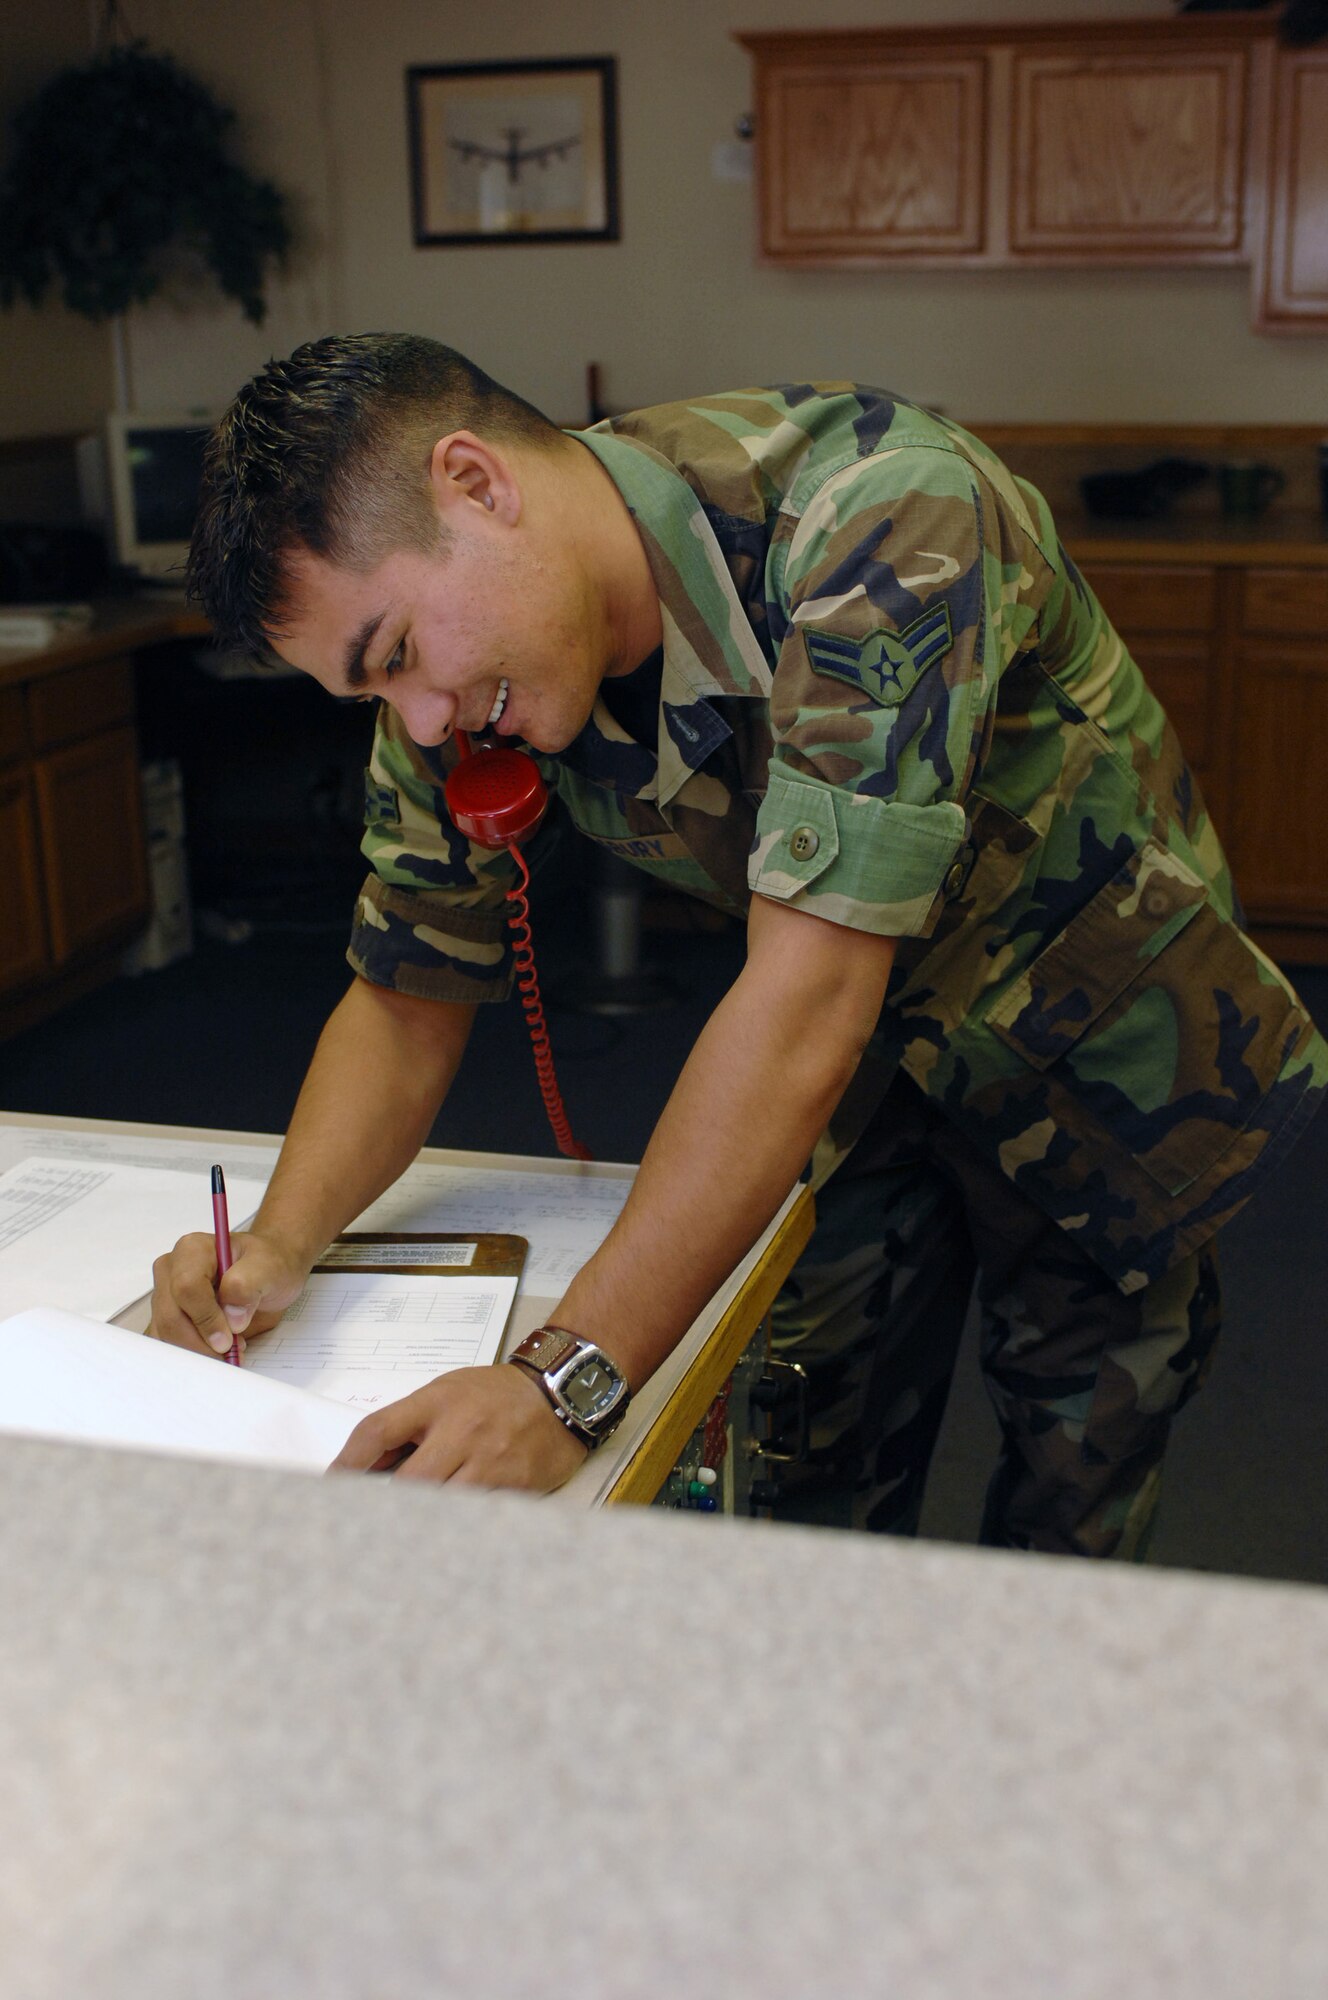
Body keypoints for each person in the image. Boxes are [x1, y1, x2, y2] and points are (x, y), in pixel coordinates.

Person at [150, 333, 1326, 1555]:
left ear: (475, 484)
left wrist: (565, 1383)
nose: (422, 718)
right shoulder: (453, 684)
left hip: (1098, 1045)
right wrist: (279, 1242)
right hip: (851, 1061)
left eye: (395, 655)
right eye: (372, 696)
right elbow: (405, 991)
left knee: (1066, 1516)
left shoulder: (878, 515)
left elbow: (808, 995)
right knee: (798, 1471)